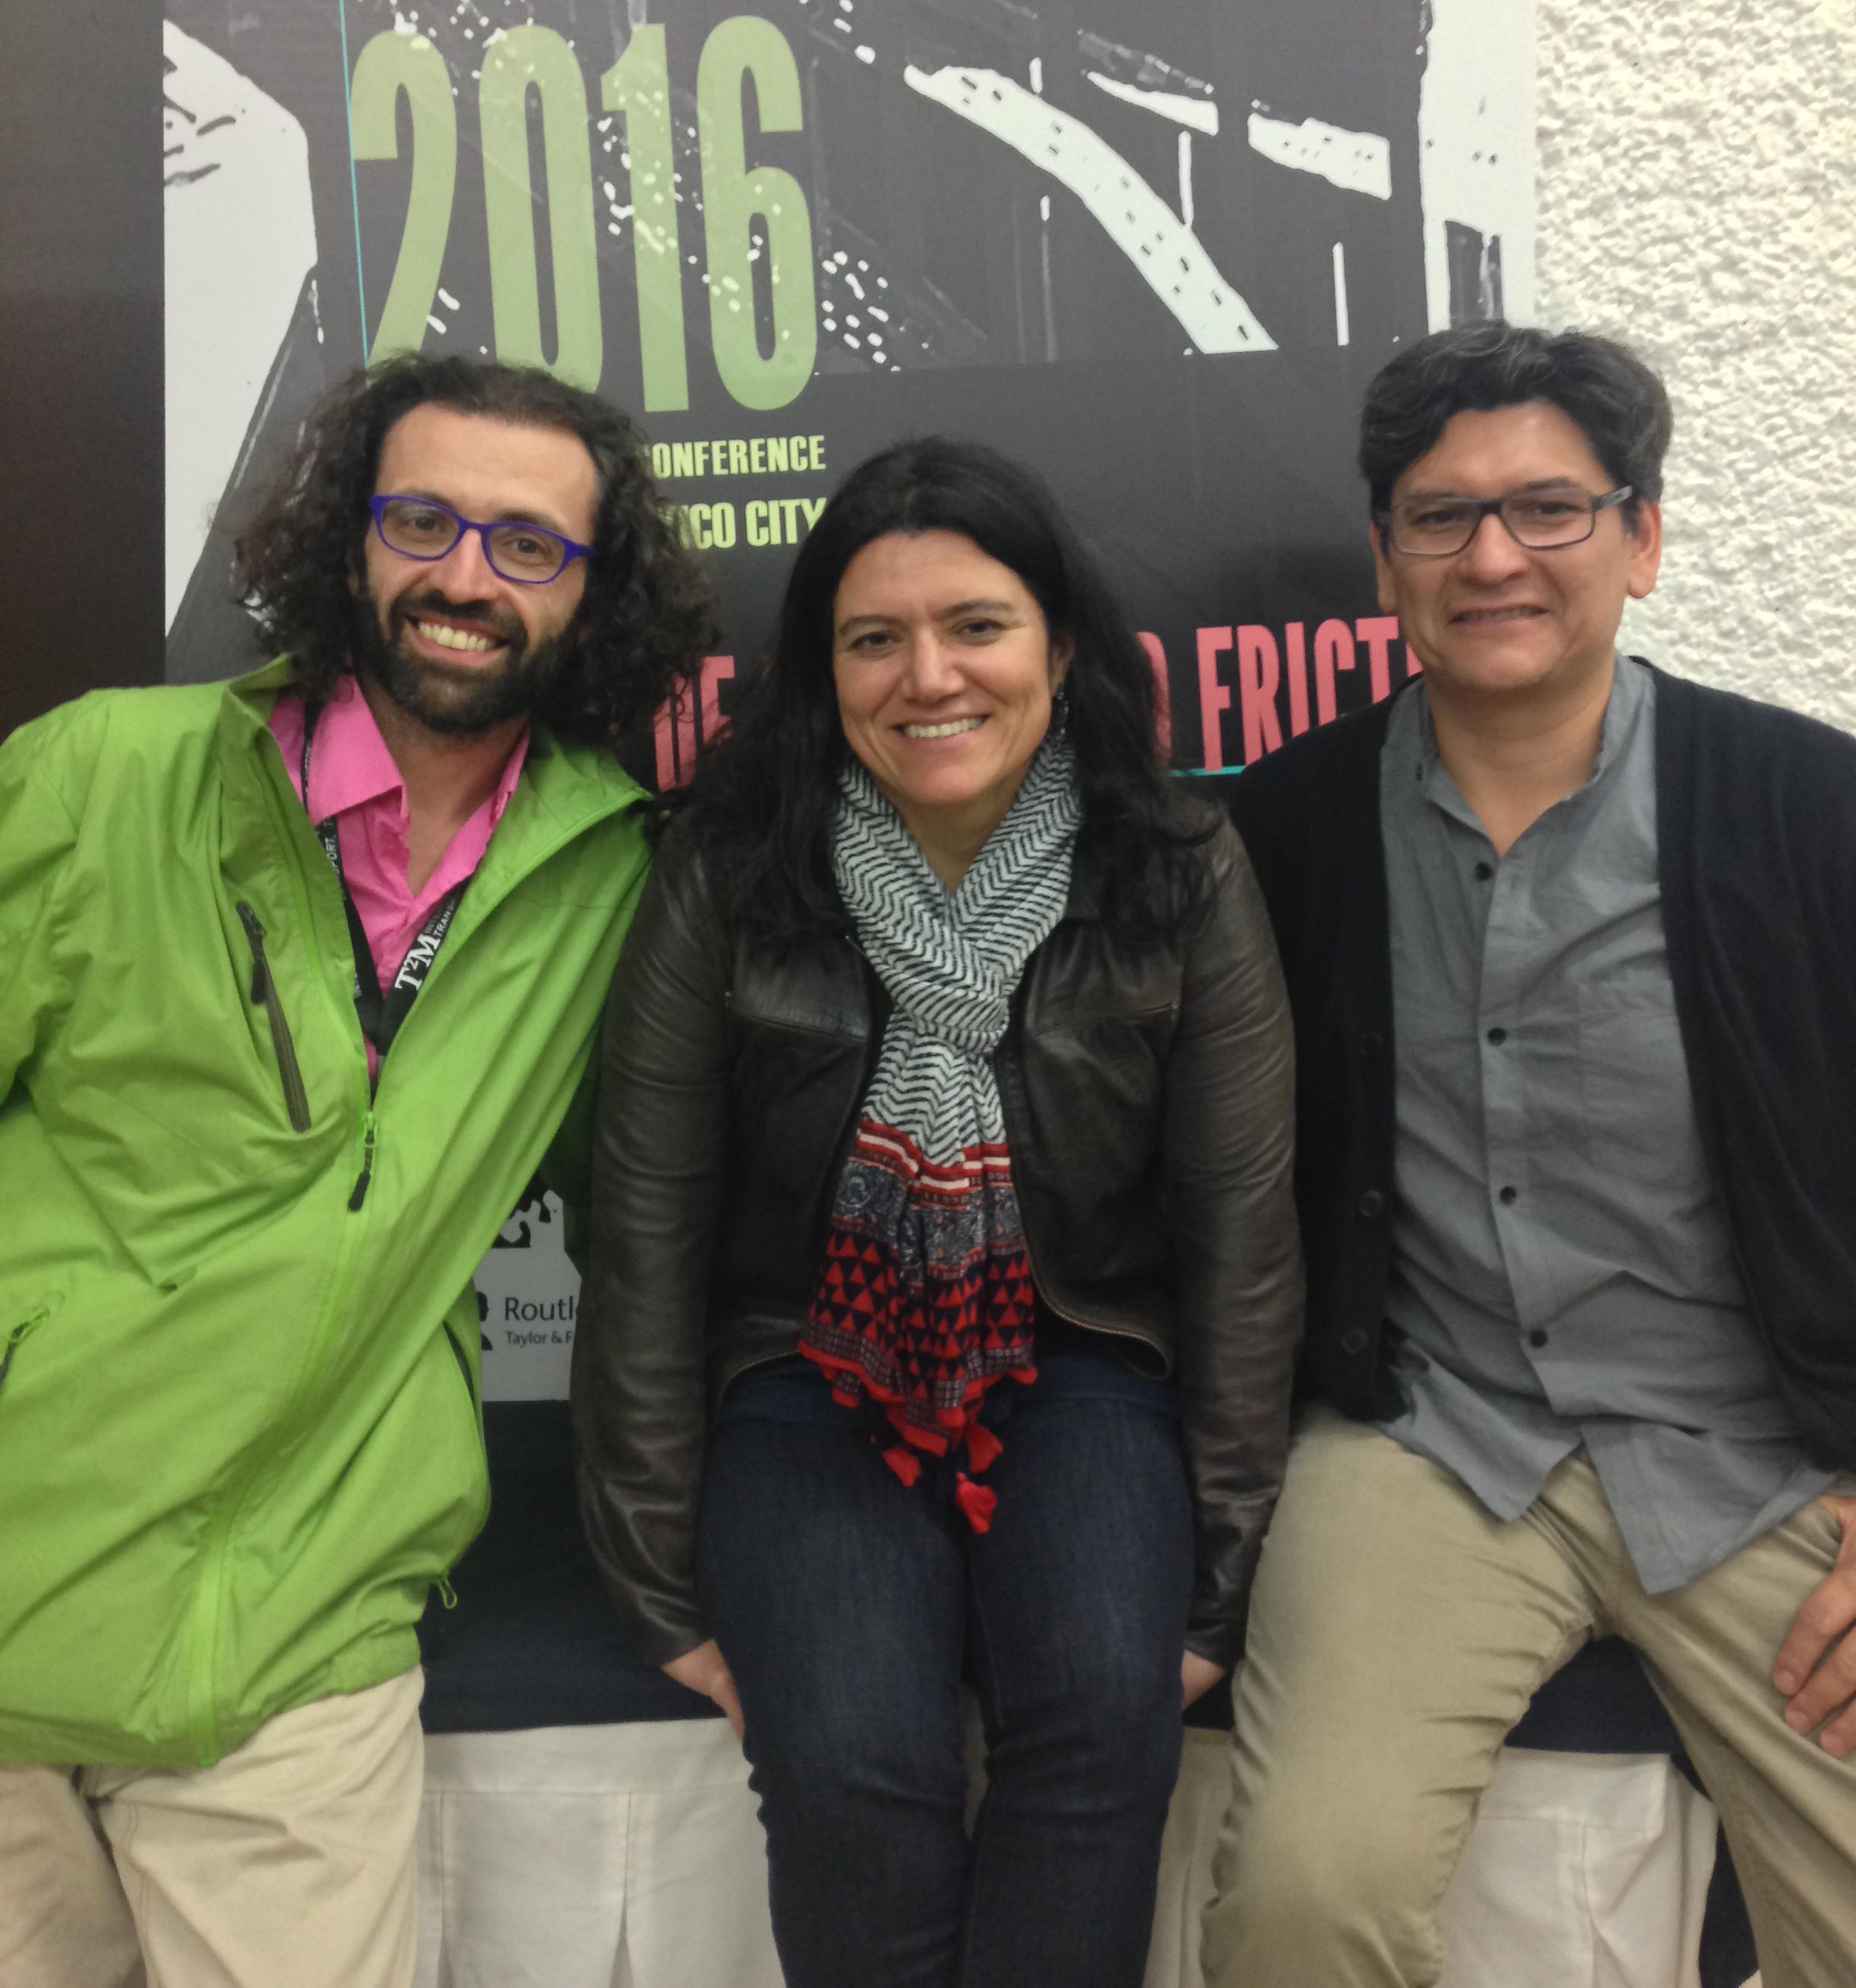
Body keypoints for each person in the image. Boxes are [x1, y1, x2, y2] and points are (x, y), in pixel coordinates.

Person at [0, 353, 713, 1988]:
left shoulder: (623, 872)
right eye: (424, 520)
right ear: (347, 542)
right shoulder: (108, 772)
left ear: (595, 593)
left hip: (303, 1629)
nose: (467, 575)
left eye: (528, 544)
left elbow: (662, 1247)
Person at [572, 437, 1301, 1988]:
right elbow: (644, 1226)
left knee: (1107, 1723)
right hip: (800, 1367)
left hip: (1089, 1361)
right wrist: (654, 1577)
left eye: (976, 624)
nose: (930, 677)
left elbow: (1243, 1242)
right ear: (818, 669)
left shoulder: (1176, 869)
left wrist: (1219, 1586)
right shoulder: (729, 866)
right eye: (873, 637)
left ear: (1059, 643)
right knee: (846, 1759)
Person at [1202, 321, 1856, 1988]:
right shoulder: (1282, 833)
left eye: (1550, 509)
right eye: (1440, 517)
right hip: (1431, 1445)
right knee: (1301, 1899)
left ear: (1642, 538)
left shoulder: (1808, 810)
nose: (1493, 557)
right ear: (1384, 560)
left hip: (1760, 1456)